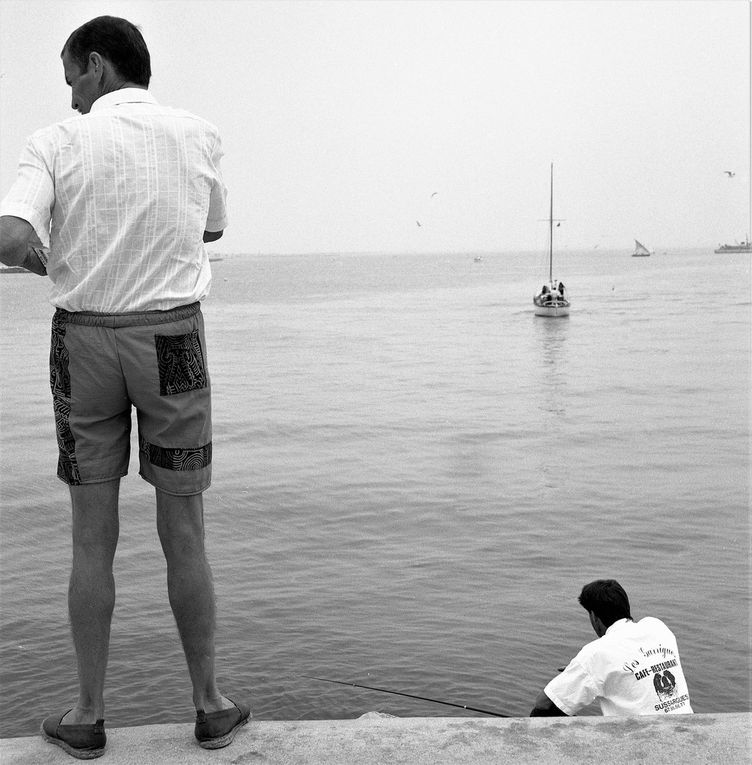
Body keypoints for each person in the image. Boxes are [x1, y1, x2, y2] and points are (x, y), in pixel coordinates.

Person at [0, 16, 250, 759]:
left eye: (73, 74)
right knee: (185, 533)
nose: (71, 92)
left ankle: (87, 714)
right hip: (172, 337)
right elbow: (211, 229)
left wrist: (61, 261)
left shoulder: (56, 142)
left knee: (91, 538)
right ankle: (209, 705)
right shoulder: (197, 133)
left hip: (86, 341)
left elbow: (11, 237)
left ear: (98, 68)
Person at [530, 580, 693, 717]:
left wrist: (582, 671)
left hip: (643, 741)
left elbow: (544, 702)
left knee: (544, 712)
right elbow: (635, 660)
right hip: (688, 729)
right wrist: (587, 672)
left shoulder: (596, 653)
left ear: (594, 616)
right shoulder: (657, 626)